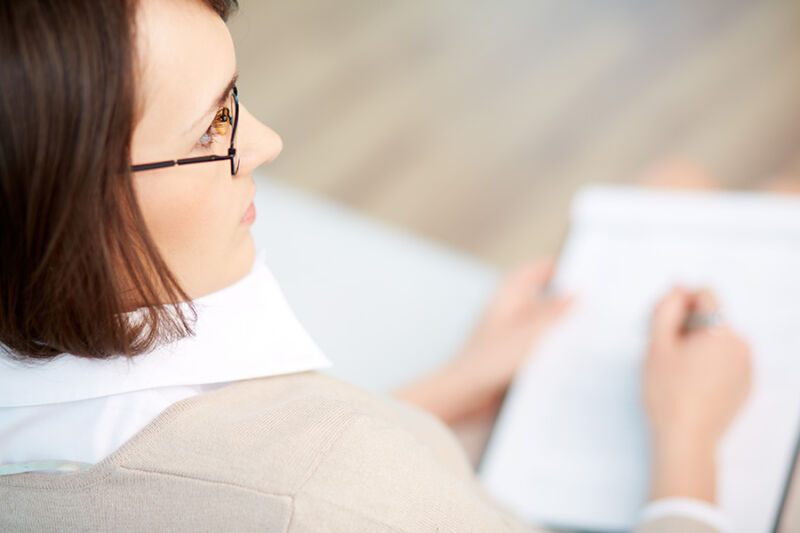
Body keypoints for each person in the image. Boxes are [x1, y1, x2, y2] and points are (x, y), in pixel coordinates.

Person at [0, 0, 752, 531]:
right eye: (212, 129)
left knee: (676, 185)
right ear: (64, 209)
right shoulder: (333, 482)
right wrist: (690, 437)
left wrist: (457, 383)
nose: (264, 143)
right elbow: (323, 491)